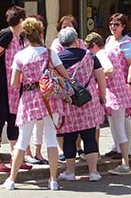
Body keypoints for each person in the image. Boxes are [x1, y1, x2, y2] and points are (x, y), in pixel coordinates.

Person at [3, 17, 69, 190]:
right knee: (51, 139)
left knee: (22, 140)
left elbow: (15, 83)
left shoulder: (20, 55)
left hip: (29, 98)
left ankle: (11, 180)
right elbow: (65, 75)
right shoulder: (49, 53)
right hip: (49, 97)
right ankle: (53, 180)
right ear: (41, 33)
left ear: (25, 34)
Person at [0, 5, 32, 172]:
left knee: (13, 121)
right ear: (22, 19)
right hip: (1, 87)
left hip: (14, 88)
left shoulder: (21, 37)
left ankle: (15, 158)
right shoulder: (7, 34)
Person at [56, 27, 106, 182]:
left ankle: (70, 172)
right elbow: (100, 77)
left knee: (69, 138)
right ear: (76, 40)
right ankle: (93, 172)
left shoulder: (56, 58)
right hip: (88, 101)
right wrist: (102, 96)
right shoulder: (89, 55)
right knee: (89, 136)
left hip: (67, 102)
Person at [84, 32, 131, 175]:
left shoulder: (101, 54)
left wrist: (95, 76)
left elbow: (109, 69)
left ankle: (125, 164)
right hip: (119, 93)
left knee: (119, 130)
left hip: (114, 95)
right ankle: (125, 162)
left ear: (94, 46)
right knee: (119, 128)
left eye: (89, 48)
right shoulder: (110, 51)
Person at [50, 14, 86, 161]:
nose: (67, 28)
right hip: (62, 87)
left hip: (79, 86)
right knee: (62, 122)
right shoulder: (56, 44)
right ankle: (62, 150)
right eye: (64, 26)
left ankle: (78, 148)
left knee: (78, 121)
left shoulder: (81, 43)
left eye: (70, 26)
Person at [104, 13, 131, 160]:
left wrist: (130, 83)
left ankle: (126, 148)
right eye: (111, 24)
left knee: (124, 117)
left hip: (122, 84)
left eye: (116, 24)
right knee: (112, 116)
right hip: (109, 85)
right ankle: (116, 146)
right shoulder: (109, 40)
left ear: (123, 26)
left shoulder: (128, 42)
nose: (113, 27)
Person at [24, 14, 49, 165]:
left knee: (37, 123)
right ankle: (27, 153)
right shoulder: (23, 48)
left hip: (38, 90)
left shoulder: (44, 49)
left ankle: (38, 152)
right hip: (32, 90)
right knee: (29, 123)